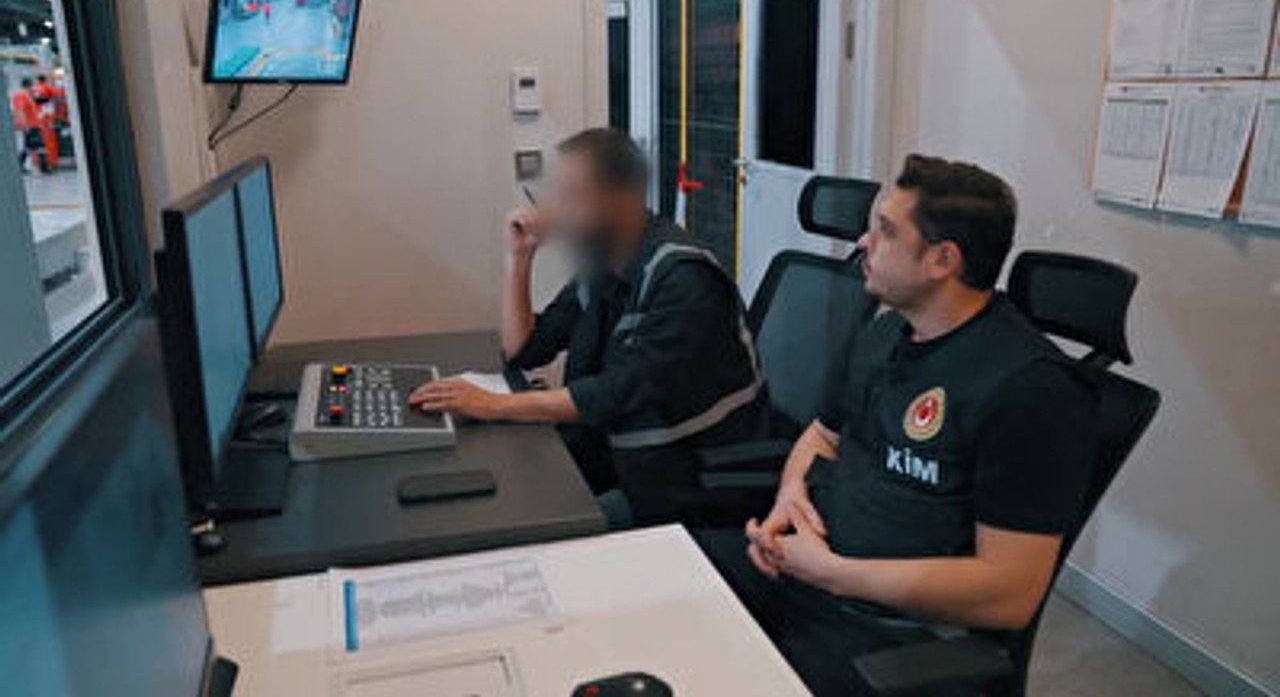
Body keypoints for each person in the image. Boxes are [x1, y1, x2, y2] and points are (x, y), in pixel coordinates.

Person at [696, 155, 1099, 696]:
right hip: (809, 580)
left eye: (886, 231)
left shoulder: (1032, 390)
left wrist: (832, 572)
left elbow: (1011, 590)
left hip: (888, 631)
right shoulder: (888, 332)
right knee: (664, 582)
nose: (864, 242)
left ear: (941, 260)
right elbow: (821, 436)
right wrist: (790, 500)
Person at [410, 128, 768, 528]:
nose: (555, 211)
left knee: (535, 529)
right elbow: (525, 350)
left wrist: (492, 405)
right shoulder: (604, 263)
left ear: (623, 199)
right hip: (620, 457)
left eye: (571, 196)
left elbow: (613, 394)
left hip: (690, 480)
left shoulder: (685, 279)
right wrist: (519, 258)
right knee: (500, 498)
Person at [10, 78, 41, 173]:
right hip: (29, 125)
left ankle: (23, 166)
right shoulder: (21, 95)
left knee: (29, 146)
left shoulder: (27, 95)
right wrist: (24, 125)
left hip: (32, 124)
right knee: (31, 146)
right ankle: (31, 166)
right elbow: (19, 110)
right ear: (29, 85)